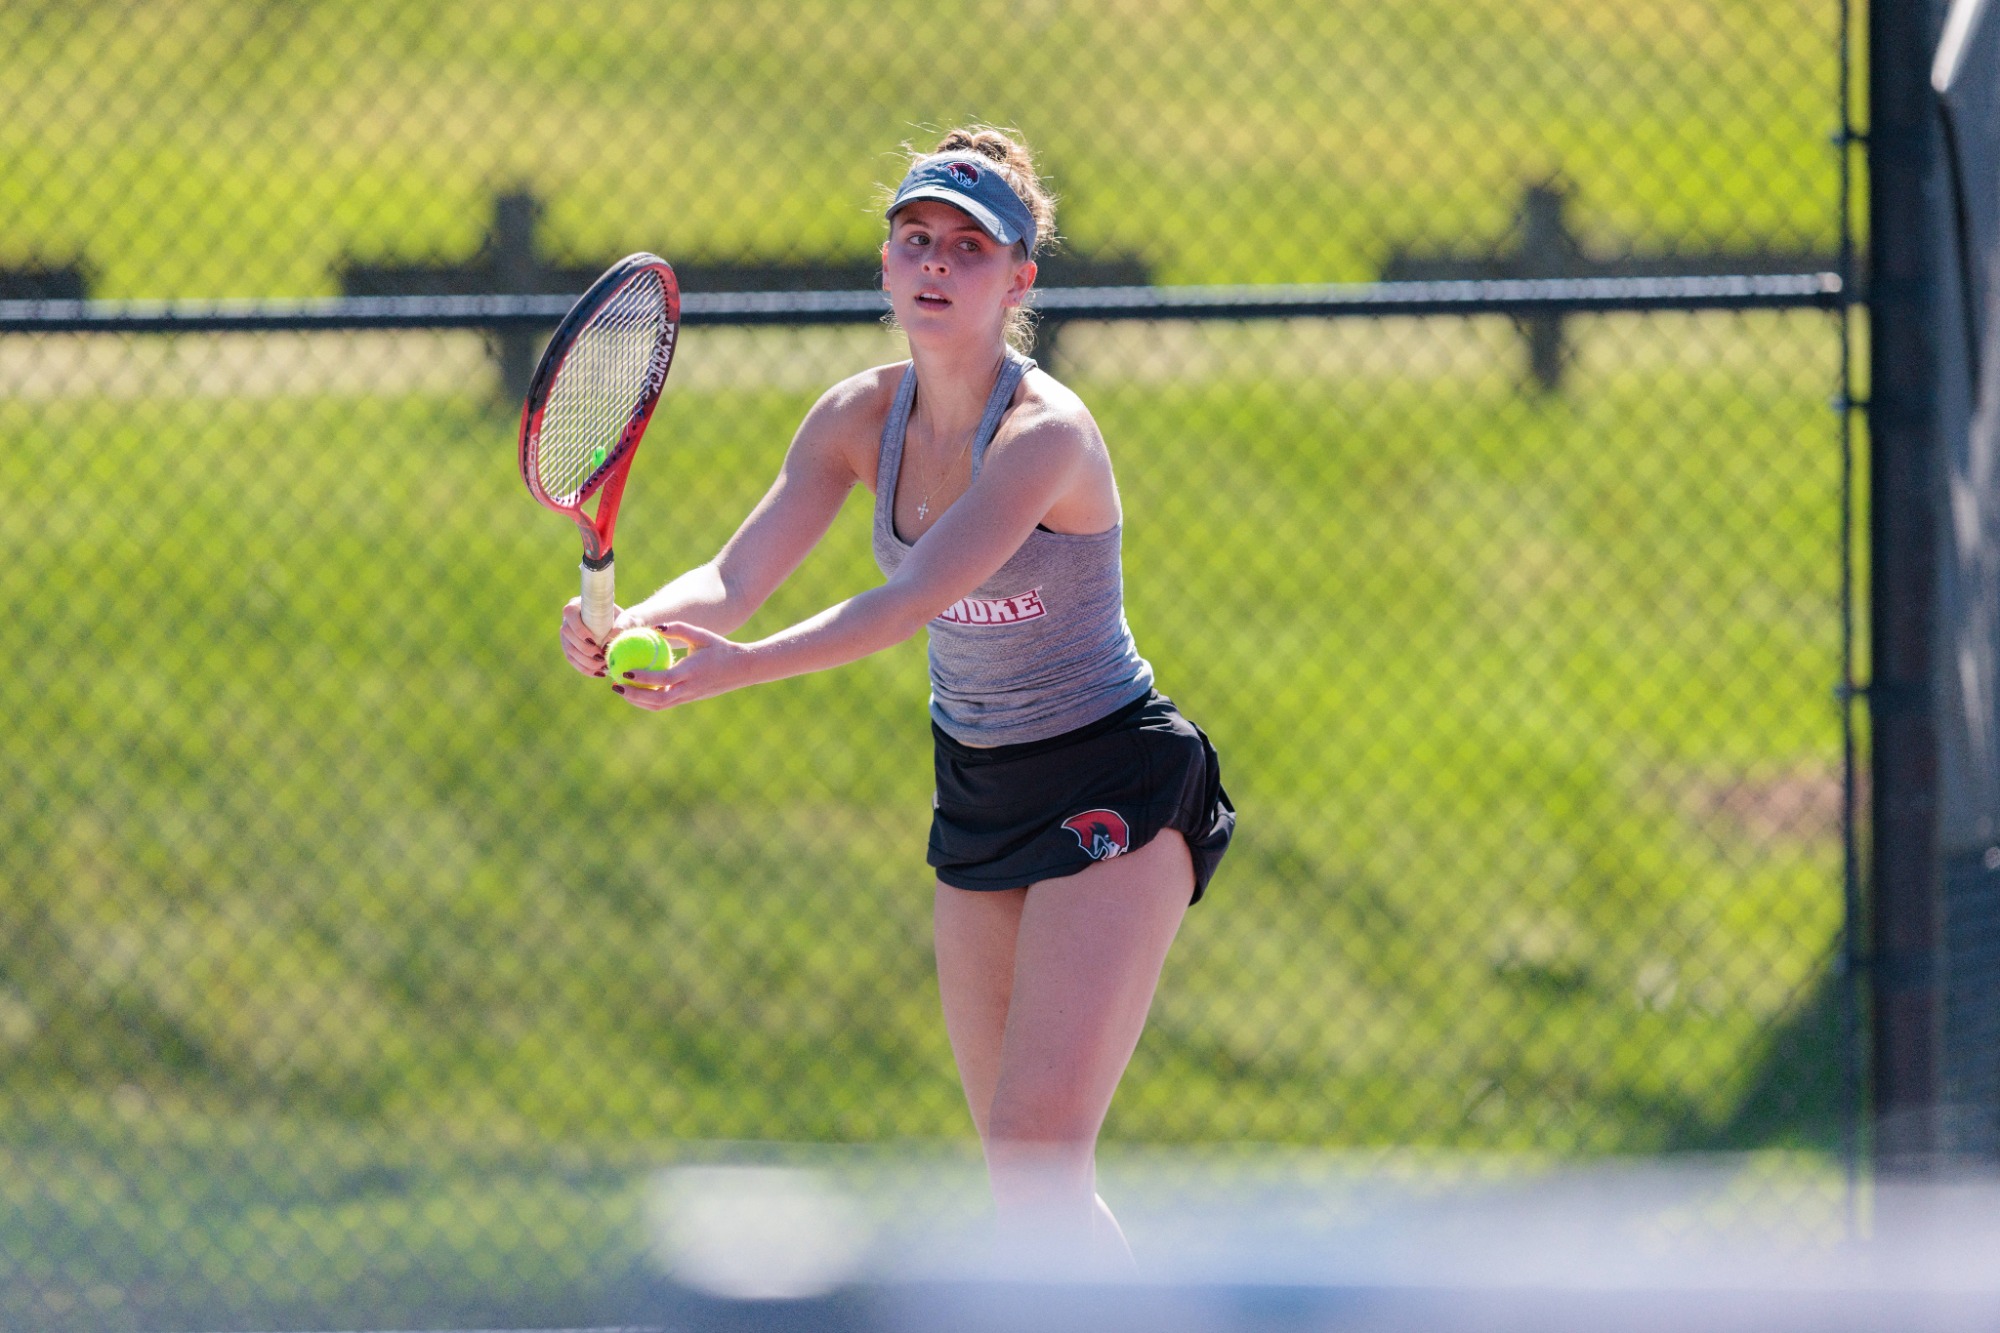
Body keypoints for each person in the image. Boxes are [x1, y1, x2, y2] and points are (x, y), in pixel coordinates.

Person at [559, 126, 1234, 1262]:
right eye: (914, 238)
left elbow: (903, 601)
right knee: (1024, 1179)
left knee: (1038, 1150)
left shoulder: (1043, 436)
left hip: (1114, 774)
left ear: (1019, 278)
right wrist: (633, 627)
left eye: (969, 247)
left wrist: (729, 669)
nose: (935, 262)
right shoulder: (851, 418)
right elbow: (734, 576)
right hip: (977, 786)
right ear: (884, 264)